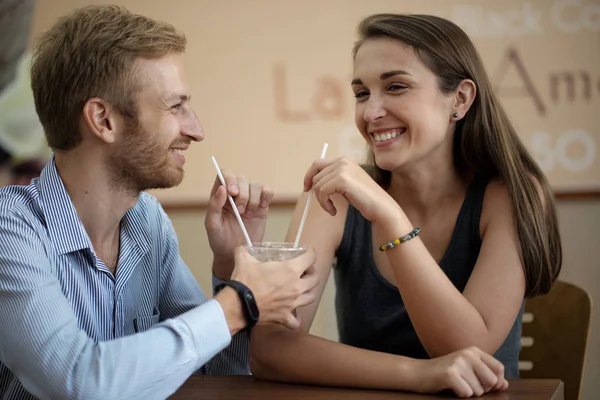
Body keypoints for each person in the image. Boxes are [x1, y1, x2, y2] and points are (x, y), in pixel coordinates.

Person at [0, 5, 319, 400]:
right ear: (103, 120)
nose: (196, 130)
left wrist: (230, 266)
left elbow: (219, 372)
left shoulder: (147, 222)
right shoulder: (9, 230)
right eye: (175, 106)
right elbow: (80, 383)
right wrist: (241, 302)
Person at [250, 13, 562, 398]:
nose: (371, 112)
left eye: (396, 87)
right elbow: (269, 350)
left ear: (460, 99)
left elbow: (467, 350)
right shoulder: (334, 196)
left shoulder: (511, 195)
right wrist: (420, 375)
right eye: (362, 93)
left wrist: (391, 217)